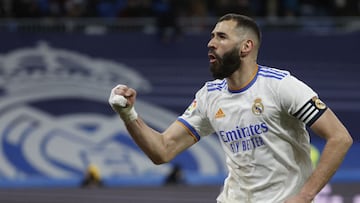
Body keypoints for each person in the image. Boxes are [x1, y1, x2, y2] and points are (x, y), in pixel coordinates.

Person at [108, 13, 353, 203]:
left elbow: (340, 138)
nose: (210, 43)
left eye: (221, 37)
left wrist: (305, 196)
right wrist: (129, 114)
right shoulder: (209, 96)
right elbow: (162, 151)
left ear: (246, 47)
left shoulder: (281, 86)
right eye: (212, 36)